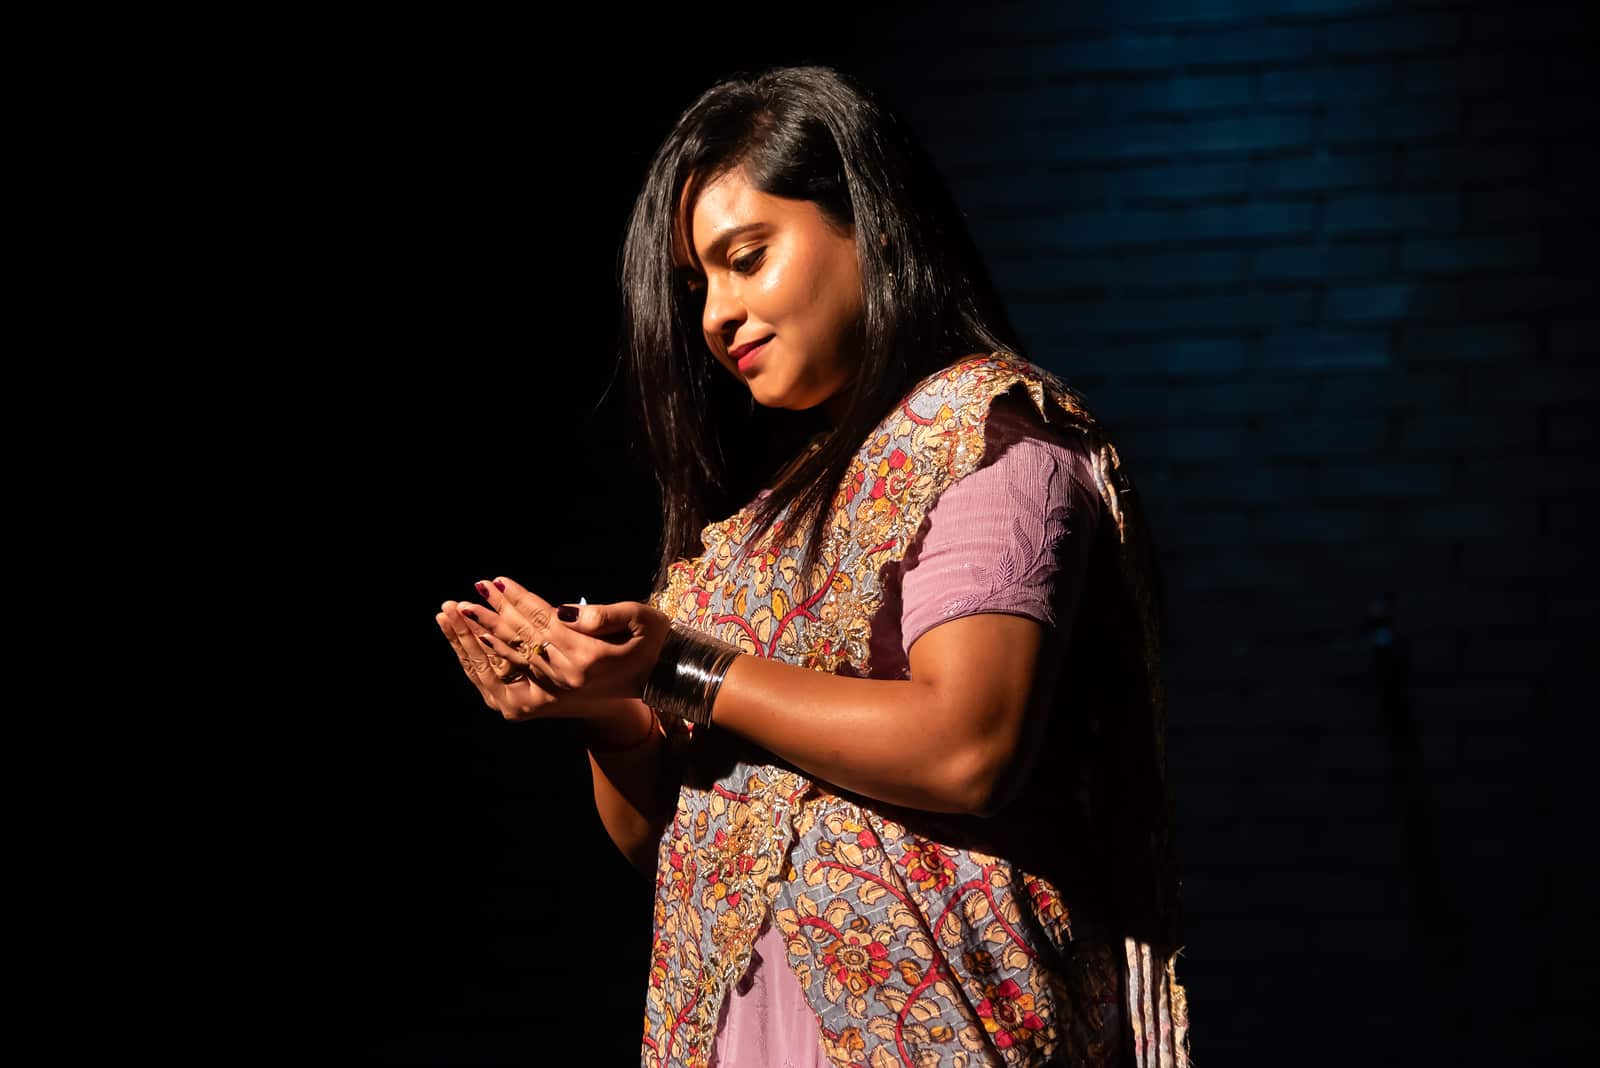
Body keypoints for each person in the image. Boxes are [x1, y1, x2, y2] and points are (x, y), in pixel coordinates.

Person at [434, 65, 1190, 1068]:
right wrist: (606, 712)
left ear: (867, 224)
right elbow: (662, 842)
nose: (713, 313)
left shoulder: (989, 438)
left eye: (746, 257)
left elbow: (969, 746)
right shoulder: (752, 527)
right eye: (698, 283)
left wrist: (679, 670)